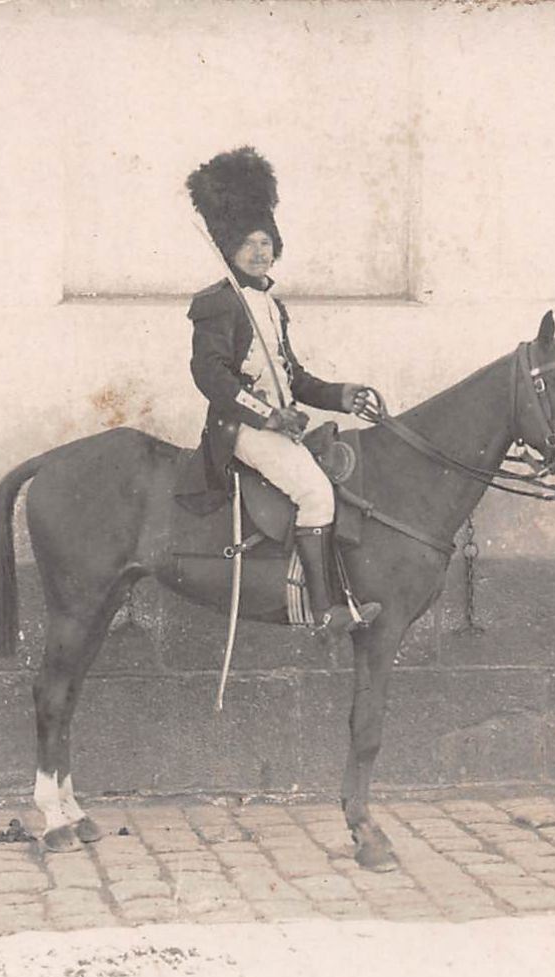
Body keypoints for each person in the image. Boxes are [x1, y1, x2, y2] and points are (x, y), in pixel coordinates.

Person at [181, 146, 382, 636]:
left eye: (265, 241)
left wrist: (340, 394)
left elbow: (294, 377)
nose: (259, 251)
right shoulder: (216, 305)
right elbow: (211, 376)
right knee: (315, 493)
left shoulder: (272, 305)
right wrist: (268, 416)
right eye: (248, 243)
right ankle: (324, 610)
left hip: (277, 427)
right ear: (229, 249)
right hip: (240, 430)